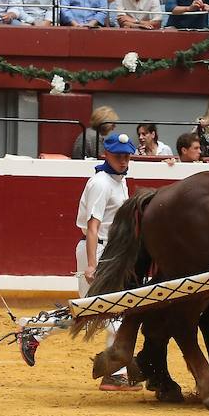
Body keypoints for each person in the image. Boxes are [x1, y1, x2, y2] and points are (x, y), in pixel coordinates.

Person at [75, 132, 137, 390]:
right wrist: (92, 264)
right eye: (118, 156)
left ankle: (34, 332)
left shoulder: (118, 181)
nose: (123, 161)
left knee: (92, 313)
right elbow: (93, 226)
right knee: (112, 314)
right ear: (106, 155)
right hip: (98, 252)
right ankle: (113, 374)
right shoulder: (101, 183)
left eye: (126, 156)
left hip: (110, 252)